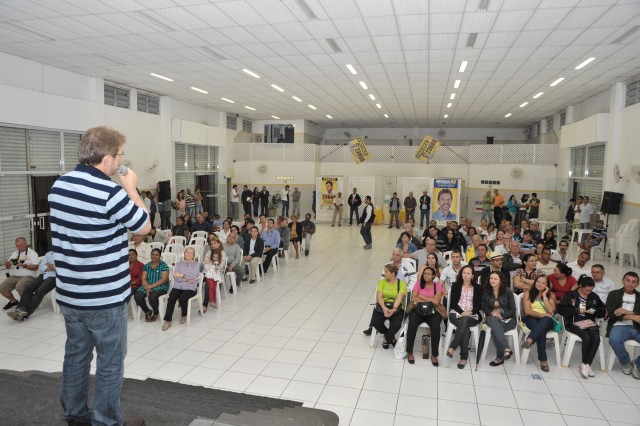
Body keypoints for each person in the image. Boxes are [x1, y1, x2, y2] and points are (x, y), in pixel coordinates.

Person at [48, 126, 150, 426]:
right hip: (104, 297)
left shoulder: (59, 185)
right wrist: (131, 188)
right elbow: (144, 226)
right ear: (107, 159)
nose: (121, 160)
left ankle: (74, 414)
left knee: (76, 356)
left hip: (70, 294)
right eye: (119, 155)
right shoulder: (110, 192)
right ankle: (106, 421)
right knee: (110, 363)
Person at [557, 275, 606, 378]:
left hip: (589, 322)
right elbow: (560, 309)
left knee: (596, 338)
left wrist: (594, 312)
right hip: (573, 323)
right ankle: (585, 363)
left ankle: (587, 365)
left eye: (590, 290)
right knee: (586, 337)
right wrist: (576, 311)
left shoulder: (593, 297)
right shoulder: (571, 295)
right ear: (580, 286)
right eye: (586, 290)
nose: (588, 292)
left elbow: (602, 311)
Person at [405, 267, 444, 366]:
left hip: (433, 311)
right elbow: (413, 299)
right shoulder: (418, 284)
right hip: (417, 310)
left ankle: (434, 355)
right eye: (425, 273)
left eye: (429, 274)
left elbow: (436, 302)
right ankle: (409, 352)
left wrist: (421, 296)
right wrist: (430, 298)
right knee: (412, 325)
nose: (426, 275)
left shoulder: (438, 286)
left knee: (436, 327)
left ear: (434, 276)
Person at [446, 265, 482, 369]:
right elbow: (453, 303)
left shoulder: (478, 288)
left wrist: (470, 312)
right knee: (465, 326)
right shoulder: (456, 286)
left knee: (465, 321)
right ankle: (463, 357)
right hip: (457, 313)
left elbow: (479, 305)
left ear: (472, 276)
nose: (466, 275)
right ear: (461, 274)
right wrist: (461, 312)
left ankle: (452, 347)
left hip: (472, 314)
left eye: (468, 273)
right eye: (464, 273)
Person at [606, 272, 640, 378]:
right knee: (614, 339)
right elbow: (611, 314)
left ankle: (637, 364)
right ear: (623, 281)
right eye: (628, 280)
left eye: (634, 282)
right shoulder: (614, 294)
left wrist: (626, 312)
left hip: (637, 327)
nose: (630, 283)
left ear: (638, 284)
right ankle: (625, 362)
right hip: (619, 325)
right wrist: (633, 317)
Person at [6, 251, 56, 321]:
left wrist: (49, 266)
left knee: (39, 291)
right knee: (28, 288)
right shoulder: (49, 253)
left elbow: (60, 270)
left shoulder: (64, 254)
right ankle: (20, 309)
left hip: (54, 277)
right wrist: (51, 267)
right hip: (43, 275)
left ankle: (25, 313)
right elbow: (41, 267)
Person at [521, 275, 557, 372]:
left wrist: (544, 296)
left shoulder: (550, 294)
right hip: (531, 318)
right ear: (535, 282)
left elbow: (551, 310)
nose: (540, 284)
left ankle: (530, 339)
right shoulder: (528, 292)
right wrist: (543, 315)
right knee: (541, 330)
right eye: (538, 281)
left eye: (543, 283)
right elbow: (527, 311)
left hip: (547, 321)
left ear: (547, 285)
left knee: (544, 322)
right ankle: (543, 360)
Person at [369, 263, 407, 349]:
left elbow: (399, 298)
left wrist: (393, 309)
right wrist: (384, 308)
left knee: (396, 325)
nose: (384, 273)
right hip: (382, 305)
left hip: (396, 307)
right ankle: (390, 338)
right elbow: (379, 297)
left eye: (386, 272)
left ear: (393, 273)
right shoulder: (382, 282)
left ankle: (387, 338)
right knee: (375, 322)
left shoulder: (402, 284)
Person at [162, 246, 200, 331]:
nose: (188, 254)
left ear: (193, 255)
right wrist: (184, 277)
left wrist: (181, 275)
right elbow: (175, 277)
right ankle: (167, 320)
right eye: (187, 252)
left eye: (191, 253)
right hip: (178, 286)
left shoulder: (196, 265)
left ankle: (184, 314)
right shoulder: (179, 264)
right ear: (184, 254)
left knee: (182, 299)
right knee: (171, 299)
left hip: (190, 287)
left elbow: (193, 277)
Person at [483, 271, 516, 366]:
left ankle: (500, 356)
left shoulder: (508, 291)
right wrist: (491, 313)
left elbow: (513, 310)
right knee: (492, 319)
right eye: (491, 278)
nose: (492, 280)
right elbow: (484, 307)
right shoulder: (486, 291)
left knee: (495, 331)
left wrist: (502, 316)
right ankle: (506, 348)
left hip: (508, 319)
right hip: (492, 317)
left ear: (500, 281)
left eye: (495, 279)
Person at [0, 236, 39, 310]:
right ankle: (14, 301)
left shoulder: (32, 253)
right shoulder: (15, 253)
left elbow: (36, 267)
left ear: (25, 244)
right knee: (2, 287)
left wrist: (23, 265)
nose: (18, 248)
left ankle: (27, 303)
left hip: (28, 276)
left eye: (20, 245)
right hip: (15, 276)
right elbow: (8, 267)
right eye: (17, 246)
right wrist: (8, 263)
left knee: (19, 286)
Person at [134, 248, 170, 322]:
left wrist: (150, 287)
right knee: (137, 296)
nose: (154, 256)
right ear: (150, 255)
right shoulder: (146, 266)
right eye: (152, 254)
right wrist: (147, 288)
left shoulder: (164, 265)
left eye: (156, 255)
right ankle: (147, 311)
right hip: (147, 285)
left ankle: (156, 312)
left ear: (160, 256)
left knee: (152, 297)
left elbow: (164, 279)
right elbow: (143, 279)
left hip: (161, 286)